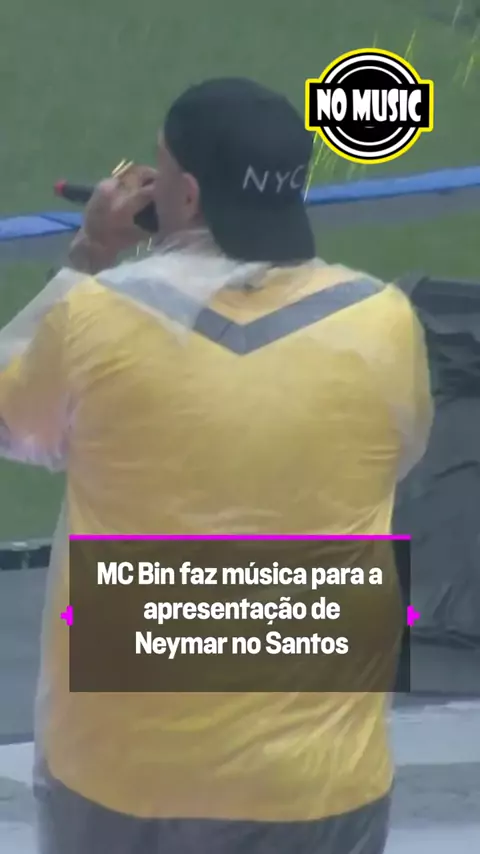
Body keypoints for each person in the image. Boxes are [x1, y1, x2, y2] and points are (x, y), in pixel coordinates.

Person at [0, 78, 433, 854]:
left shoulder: (96, 314)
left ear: (188, 195)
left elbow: (13, 425)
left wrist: (88, 258)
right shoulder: (386, 323)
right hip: (323, 781)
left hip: (125, 777)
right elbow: (396, 459)